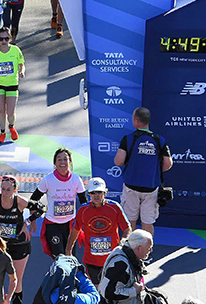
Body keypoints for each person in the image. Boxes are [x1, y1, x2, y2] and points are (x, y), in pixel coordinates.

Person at [113, 107, 173, 235]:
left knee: (129, 221)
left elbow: (118, 162)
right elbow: (168, 164)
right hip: (151, 188)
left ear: (136, 121)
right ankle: (147, 252)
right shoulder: (159, 139)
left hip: (131, 187)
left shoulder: (128, 138)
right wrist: (154, 170)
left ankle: (128, 252)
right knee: (148, 222)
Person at [66, 178, 131, 285]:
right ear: (89, 194)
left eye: (99, 192)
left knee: (112, 288)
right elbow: (75, 230)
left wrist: (122, 244)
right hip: (91, 261)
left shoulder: (115, 207)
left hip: (112, 259)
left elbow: (127, 228)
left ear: (105, 192)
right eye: (93, 192)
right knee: (96, 291)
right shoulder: (83, 210)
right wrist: (68, 249)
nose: (96, 195)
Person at [29, 148, 87, 258]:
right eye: (59, 159)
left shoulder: (76, 179)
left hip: (71, 225)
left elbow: (84, 203)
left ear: (70, 162)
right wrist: (33, 221)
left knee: (70, 258)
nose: (62, 162)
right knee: (59, 258)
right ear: (55, 163)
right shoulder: (48, 180)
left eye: (65, 159)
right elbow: (33, 200)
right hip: (52, 225)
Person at [0, 176, 35, 304]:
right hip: (1, 244)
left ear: (15, 190)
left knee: (16, 280)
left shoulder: (19, 201)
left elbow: (39, 208)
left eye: (8, 190)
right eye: (3, 189)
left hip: (19, 244)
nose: (5, 192)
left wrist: (27, 223)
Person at [97, 230, 153, 304]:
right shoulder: (120, 264)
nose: (151, 250)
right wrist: (134, 290)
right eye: (148, 248)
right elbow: (108, 293)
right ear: (139, 248)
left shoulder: (123, 250)